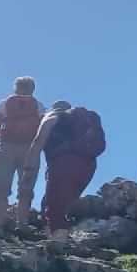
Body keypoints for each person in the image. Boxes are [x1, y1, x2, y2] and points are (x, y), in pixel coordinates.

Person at [26, 101, 102, 241]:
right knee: (57, 202)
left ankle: (59, 244)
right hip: (88, 164)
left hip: (63, 162)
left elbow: (38, 142)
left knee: (55, 206)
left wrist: (28, 168)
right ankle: (52, 236)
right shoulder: (83, 121)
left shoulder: (52, 116)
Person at [0, 77, 45, 227]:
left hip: (6, 147)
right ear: (32, 89)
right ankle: (21, 223)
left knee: (0, 188)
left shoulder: (4, 103)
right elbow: (41, 134)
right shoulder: (39, 106)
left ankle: (0, 224)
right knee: (26, 189)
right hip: (29, 150)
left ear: (16, 88)